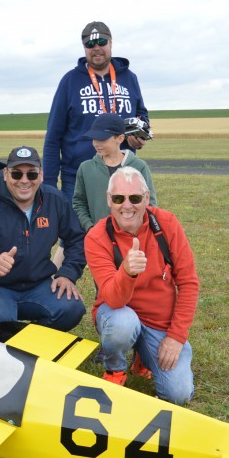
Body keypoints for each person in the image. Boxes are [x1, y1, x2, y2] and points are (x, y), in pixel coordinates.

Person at [84, 167, 199, 405]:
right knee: (122, 323)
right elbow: (113, 300)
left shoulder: (167, 224)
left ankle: (142, 359)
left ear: (146, 198)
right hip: (117, 313)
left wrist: (176, 337)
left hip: (159, 323)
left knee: (179, 394)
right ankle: (115, 368)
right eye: (118, 199)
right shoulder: (96, 237)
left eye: (135, 198)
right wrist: (127, 271)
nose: (127, 206)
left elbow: (188, 283)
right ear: (109, 200)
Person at [0, 146, 87, 334]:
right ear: (5, 174)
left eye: (31, 175)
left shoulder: (54, 200)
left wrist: (67, 273)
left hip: (38, 284)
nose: (24, 181)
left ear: (41, 175)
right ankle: (4, 343)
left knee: (71, 308)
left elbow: (77, 238)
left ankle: (29, 345)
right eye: (16, 174)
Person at [42, 21, 150, 202]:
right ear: (84, 48)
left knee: (122, 229)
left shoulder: (130, 78)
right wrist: (49, 185)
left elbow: (141, 116)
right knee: (80, 230)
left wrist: (140, 136)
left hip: (123, 175)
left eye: (101, 42)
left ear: (111, 43)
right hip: (77, 177)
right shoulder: (70, 81)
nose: (96, 48)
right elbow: (53, 136)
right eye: (90, 44)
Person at [73, 112, 158, 232]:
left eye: (102, 139)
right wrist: (90, 227)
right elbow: (79, 203)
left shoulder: (139, 166)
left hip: (134, 237)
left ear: (120, 138)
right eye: (94, 139)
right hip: (100, 239)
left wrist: (140, 231)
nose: (96, 144)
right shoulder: (85, 169)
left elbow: (150, 204)